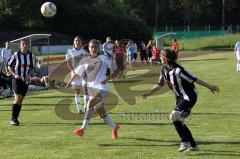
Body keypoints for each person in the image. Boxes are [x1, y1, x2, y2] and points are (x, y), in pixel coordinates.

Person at [142, 49, 219, 152]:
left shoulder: (179, 71)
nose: (159, 57)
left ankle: (184, 142)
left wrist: (209, 86)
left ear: (166, 59)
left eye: (161, 56)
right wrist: (148, 93)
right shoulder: (164, 70)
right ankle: (193, 145)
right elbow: (159, 84)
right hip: (179, 98)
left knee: (173, 116)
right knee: (179, 121)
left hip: (190, 96)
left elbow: (195, 79)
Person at [73, 39, 120, 139]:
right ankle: (114, 127)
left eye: (95, 47)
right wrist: (68, 83)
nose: (93, 48)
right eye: (91, 47)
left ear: (99, 48)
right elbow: (77, 73)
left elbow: (116, 71)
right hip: (92, 90)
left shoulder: (104, 58)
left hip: (103, 88)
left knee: (90, 103)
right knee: (102, 113)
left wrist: (108, 78)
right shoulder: (85, 60)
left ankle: (82, 129)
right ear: (88, 48)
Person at [7, 40, 35, 126]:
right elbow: (9, 66)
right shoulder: (16, 55)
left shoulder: (31, 55)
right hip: (16, 79)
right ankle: (13, 119)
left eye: (26, 44)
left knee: (21, 100)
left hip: (25, 80)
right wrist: (15, 75)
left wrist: (28, 75)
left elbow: (31, 68)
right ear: (20, 46)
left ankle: (16, 119)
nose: (25, 46)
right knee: (17, 98)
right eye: (23, 44)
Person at [65, 36, 89, 113]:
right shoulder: (70, 51)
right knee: (77, 91)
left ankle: (86, 107)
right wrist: (72, 71)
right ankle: (79, 109)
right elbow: (68, 62)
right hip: (75, 74)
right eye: (76, 41)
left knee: (85, 90)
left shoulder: (84, 51)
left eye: (79, 41)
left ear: (81, 42)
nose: (78, 42)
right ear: (74, 42)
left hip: (83, 73)